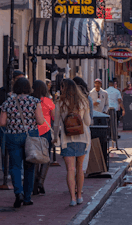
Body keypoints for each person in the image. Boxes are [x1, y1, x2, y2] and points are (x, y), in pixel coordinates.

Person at [0, 77, 45, 208]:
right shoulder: (34, 101)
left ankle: (18, 193)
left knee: (15, 166)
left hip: (13, 136)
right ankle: (27, 197)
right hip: (30, 136)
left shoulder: (8, 102)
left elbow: (1, 122)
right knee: (30, 167)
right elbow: (40, 121)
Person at [53, 79, 91, 207]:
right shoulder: (83, 102)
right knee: (80, 168)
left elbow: (56, 124)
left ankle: (73, 198)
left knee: (70, 169)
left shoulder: (60, 103)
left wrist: (55, 138)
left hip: (67, 140)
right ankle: (80, 195)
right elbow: (88, 122)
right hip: (82, 138)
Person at [0, 70, 25, 177]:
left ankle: (18, 170)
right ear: (12, 79)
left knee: (19, 150)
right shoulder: (2, 92)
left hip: (18, 126)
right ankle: (6, 171)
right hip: (4, 126)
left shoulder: (23, 93)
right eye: (19, 79)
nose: (21, 81)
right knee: (5, 149)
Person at [32, 80, 55, 196]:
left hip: (34, 131)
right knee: (46, 157)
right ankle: (41, 181)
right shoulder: (48, 101)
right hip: (46, 131)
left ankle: (34, 182)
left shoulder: (31, 101)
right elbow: (54, 116)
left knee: (34, 156)